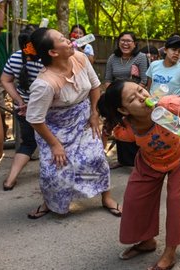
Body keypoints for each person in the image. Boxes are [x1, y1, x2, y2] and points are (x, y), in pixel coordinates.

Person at [25, 27, 120, 219]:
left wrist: (94, 113)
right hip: (54, 130)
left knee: (97, 158)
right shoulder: (44, 84)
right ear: (53, 52)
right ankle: (50, 202)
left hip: (84, 119)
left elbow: (95, 87)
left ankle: (106, 197)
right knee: (55, 172)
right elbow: (35, 119)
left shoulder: (80, 57)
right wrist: (55, 145)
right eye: (62, 39)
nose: (70, 40)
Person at [100, 80, 180, 270]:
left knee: (177, 202)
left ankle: (170, 253)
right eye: (133, 98)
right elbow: (112, 132)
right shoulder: (126, 128)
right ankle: (147, 241)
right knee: (135, 200)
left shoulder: (169, 106)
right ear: (124, 111)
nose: (142, 97)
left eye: (141, 90)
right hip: (149, 162)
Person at [0, 25, 43, 190]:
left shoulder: (15, 57)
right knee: (54, 143)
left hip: (24, 110)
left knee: (28, 143)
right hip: (46, 111)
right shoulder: (46, 60)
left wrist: (19, 101)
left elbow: (5, 80)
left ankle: (10, 180)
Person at [104, 31, 148, 169]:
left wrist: (133, 94)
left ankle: (139, 160)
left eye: (129, 41)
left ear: (134, 44)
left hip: (134, 98)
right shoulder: (113, 58)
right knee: (118, 127)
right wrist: (113, 98)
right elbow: (107, 79)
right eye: (122, 40)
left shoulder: (140, 57)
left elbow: (144, 80)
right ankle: (122, 160)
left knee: (134, 128)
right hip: (118, 99)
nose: (125, 43)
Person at [0, 1, 9, 141]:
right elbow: (0, 24)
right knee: (0, 109)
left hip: (9, 78)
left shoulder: (5, 36)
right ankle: (2, 134)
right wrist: (2, 5)